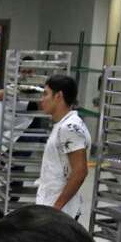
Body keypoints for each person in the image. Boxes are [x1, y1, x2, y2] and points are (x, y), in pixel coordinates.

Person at [36, 74, 90, 219]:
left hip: (60, 211)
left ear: (58, 96)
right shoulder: (63, 125)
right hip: (51, 205)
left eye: (45, 94)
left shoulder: (70, 127)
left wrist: (57, 207)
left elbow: (80, 172)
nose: (42, 99)